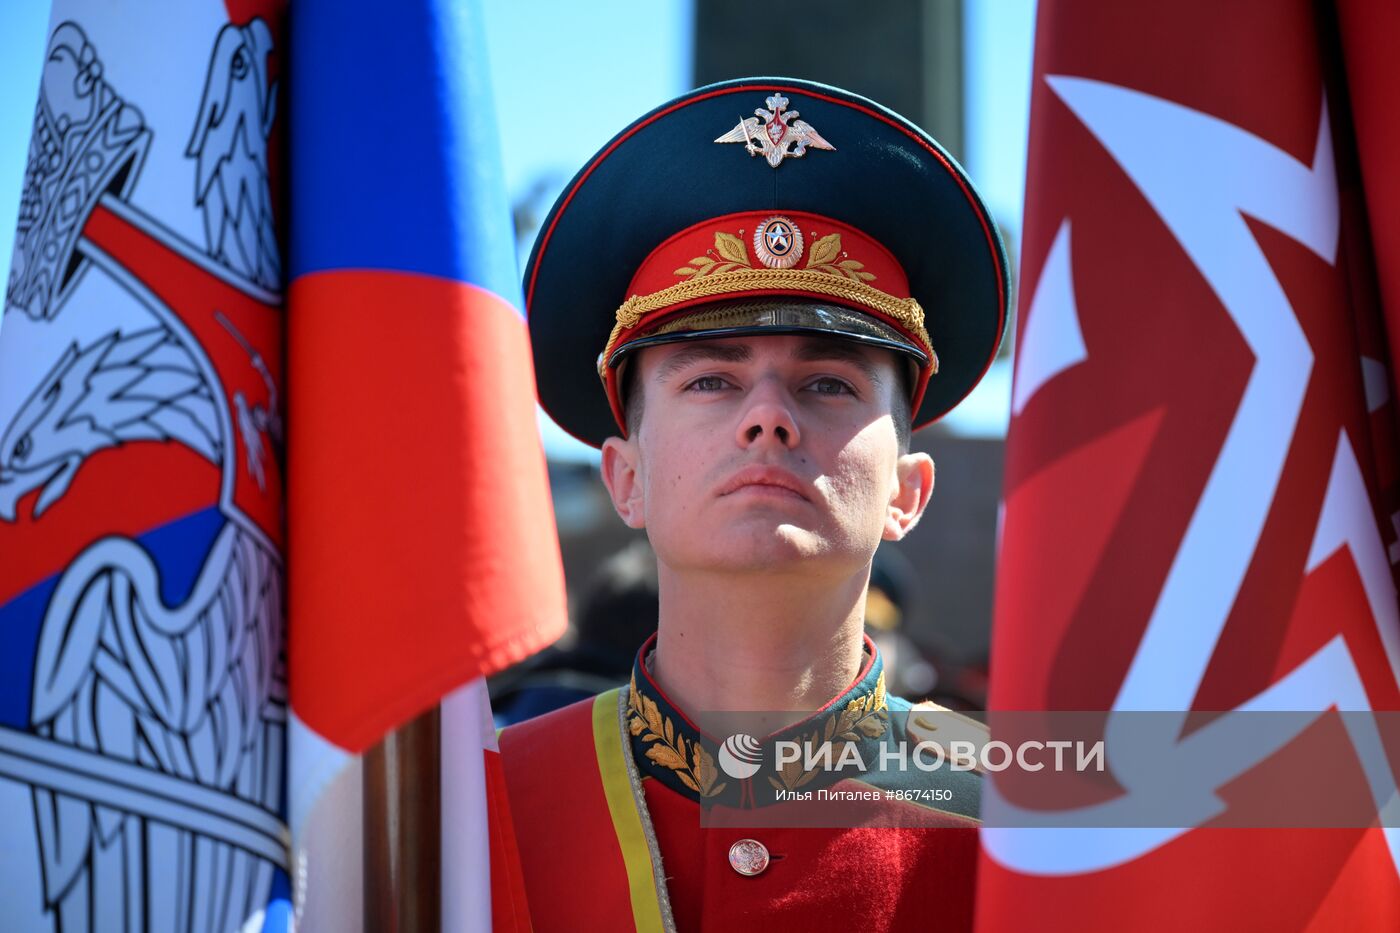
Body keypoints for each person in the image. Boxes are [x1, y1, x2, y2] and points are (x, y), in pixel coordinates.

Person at [496, 77, 1009, 933]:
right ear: (625, 478)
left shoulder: (1027, 817)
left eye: (825, 381)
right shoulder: (488, 809)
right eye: (711, 378)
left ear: (908, 491)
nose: (768, 414)